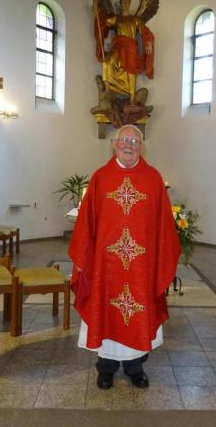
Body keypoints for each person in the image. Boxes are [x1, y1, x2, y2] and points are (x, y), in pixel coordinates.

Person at [69, 124, 181, 390]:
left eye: (135, 140)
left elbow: (164, 226)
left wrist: (159, 261)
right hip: (106, 266)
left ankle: (135, 367)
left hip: (142, 266)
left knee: (139, 312)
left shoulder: (153, 178)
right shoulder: (100, 177)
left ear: (141, 146)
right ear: (114, 144)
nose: (129, 145)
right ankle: (105, 369)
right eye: (124, 140)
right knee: (105, 310)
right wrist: (84, 258)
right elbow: (87, 222)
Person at [93, 0, 155, 101]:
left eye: (127, 2)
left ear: (130, 4)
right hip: (118, 46)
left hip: (131, 48)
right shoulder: (116, 18)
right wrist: (96, 13)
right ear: (121, 4)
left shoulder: (135, 20)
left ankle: (131, 98)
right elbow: (103, 23)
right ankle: (107, 89)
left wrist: (148, 43)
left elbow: (145, 32)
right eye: (123, 2)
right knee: (107, 62)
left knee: (131, 70)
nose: (125, 4)